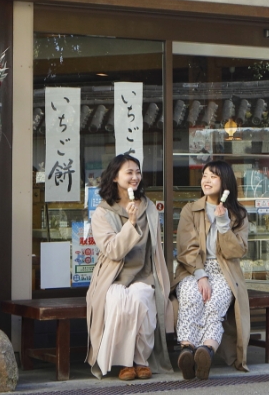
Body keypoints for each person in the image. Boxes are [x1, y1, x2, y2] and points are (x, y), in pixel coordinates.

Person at [85, 154, 173, 380]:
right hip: (113, 278)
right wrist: (131, 224)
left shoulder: (148, 208)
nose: (135, 177)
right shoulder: (103, 212)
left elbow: (155, 248)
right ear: (115, 177)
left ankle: (140, 360)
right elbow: (113, 250)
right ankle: (123, 363)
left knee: (140, 300)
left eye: (137, 172)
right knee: (117, 303)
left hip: (144, 274)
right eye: (129, 172)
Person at [172, 160, 251, 380]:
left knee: (214, 303)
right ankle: (187, 350)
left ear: (225, 182)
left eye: (213, 176)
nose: (206, 180)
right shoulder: (191, 209)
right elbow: (186, 248)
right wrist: (201, 276)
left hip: (225, 271)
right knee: (190, 296)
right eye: (204, 175)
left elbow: (237, 251)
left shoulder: (239, 214)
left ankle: (205, 351)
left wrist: (224, 223)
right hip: (192, 269)